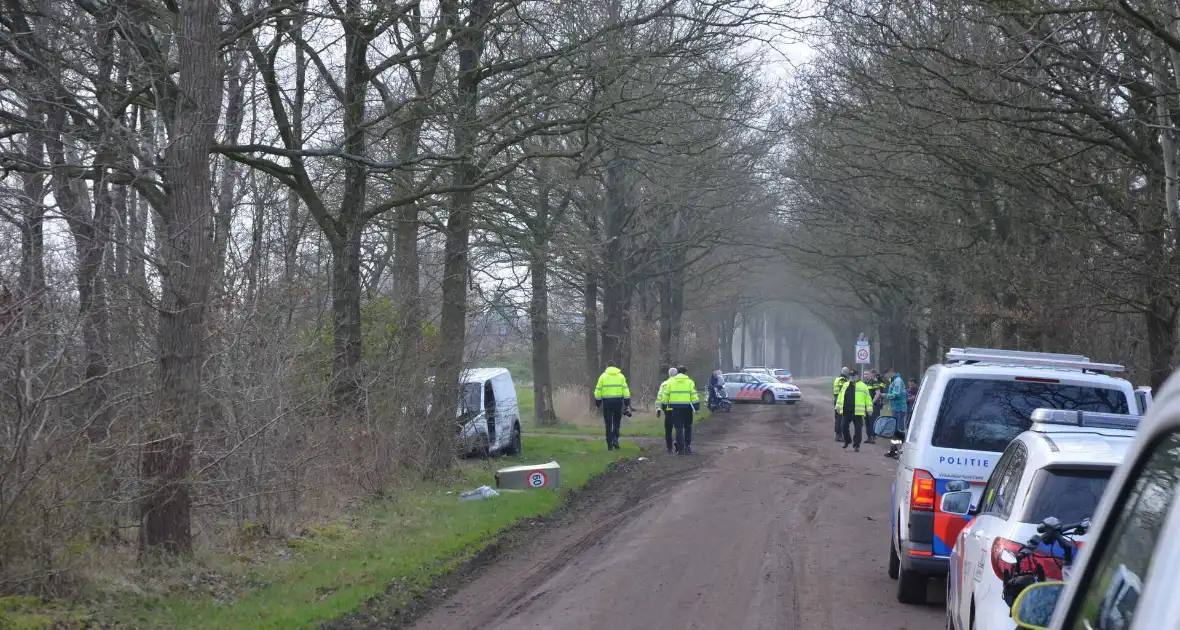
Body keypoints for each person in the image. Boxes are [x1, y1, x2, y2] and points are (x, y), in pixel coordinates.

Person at [658, 365, 700, 455]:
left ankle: (680, 449)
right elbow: (694, 396)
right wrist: (696, 408)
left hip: (675, 408)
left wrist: (664, 406)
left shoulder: (671, 382)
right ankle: (687, 447)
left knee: (678, 428)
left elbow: (666, 395)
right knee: (688, 427)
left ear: (677, 372)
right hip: (687, 408)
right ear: (685, 373)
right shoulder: (690, 382)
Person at [594, 361, 631, 451]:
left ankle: (609, 444)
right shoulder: (621, 376)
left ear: (607, 367)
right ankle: (615, 440)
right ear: (615, 367)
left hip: (607, 402)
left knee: (608, 423)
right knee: (616, 422)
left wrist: (598, 403)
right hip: (618, 401)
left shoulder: (603, 376)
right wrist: (626, 403)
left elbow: (598, 391)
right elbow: (626, 390)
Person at [837, 371, 872, 452]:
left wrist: (869, 409)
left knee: (858, 429)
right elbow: (840, 396)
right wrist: (838, 407)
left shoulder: (863, 386)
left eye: (854, 375)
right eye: (851, 376)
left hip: (858, 412)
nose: (852, 377)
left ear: (857, 376)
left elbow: (868, 398)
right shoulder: (845, 385)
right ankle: (847, 440)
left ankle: (856, 445)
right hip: (847, 411)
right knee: (843, 426)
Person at [656, 367, 678, 453]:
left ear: (669, 374)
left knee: (668, 428)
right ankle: (677, 441)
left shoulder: (664, 384)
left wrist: (658, 408)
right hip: (678, 408)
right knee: (678, 427)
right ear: (676, 374)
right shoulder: (680, 383)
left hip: (668, 408)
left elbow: (659, 397)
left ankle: (669, 447)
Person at [864, 369, 886, 444]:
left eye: (867, 374)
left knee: (872, 421)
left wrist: (872, 402)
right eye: (864, 374)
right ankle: (868, 437)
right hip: (865, 405)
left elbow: (878, 393)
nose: (865, 376)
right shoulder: (864, 384)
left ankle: (873, 437)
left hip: (873, 405)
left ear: (870, 375)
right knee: (866, 421)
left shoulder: (875, 382)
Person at [885, 367, 908, 434]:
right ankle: (897, 442)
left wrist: (885, 395)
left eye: (886, 374)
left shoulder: (897, 381)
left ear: (890, 372)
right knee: (896, 425)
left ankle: (899, 442)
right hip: (896, 407)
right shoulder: (894, 380)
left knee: (899, 426)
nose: (886, 376)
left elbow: (896, 394)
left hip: (899, 408)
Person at [833, 367, 851, 441]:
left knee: (838, 418)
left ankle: (838, 434)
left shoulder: (837, 378)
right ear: (846, 373)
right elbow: (843, 391)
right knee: (840, 419)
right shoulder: (842, 380)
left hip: (836, 399)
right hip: (840, 400)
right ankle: (839, 435)